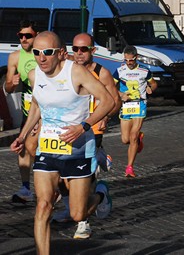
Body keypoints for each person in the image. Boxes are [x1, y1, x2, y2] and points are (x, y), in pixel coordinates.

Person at [10, 31, 114, 255]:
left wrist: (83, 127)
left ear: (59, 53)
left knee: (77, 214)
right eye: (37, 53)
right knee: (43, 206)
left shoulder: (76, 73)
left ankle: (100, 195)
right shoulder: (34, 75)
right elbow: (37, 107)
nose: (41, 58)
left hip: (77, 149)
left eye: (47, 53)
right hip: (47, 148)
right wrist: (22, 135)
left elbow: (108, 101)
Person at [52, 33, 121, 238]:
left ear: (93, 50)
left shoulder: (103, 73)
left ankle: (83, 221)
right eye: (75, 49)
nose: (79, 53)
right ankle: (71, 206)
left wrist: (105, 117)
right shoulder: (67, 69)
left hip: (92, 131)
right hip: (66, 130)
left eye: (84, 49)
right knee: (58, 175)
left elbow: (115, 101)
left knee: (82, 178)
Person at [4, 20, 38, 204]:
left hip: (46, 108)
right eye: (21, 36)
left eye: (28, 36)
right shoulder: (15, 57)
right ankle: (26, 187)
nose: (24, 39)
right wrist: (12, 83)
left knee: (37, 148)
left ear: (36, 36)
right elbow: (8, 88)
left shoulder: (43, 54)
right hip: (28, 108)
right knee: (24, 147)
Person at [113, 45, 157, 177]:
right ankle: (139, 139)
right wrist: (121, 94)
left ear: (136, 58)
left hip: (140, 104)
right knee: (125, 139)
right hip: (126, 105)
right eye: (126, 60)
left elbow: (154, 84)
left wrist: (151, 89)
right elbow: (110, 86)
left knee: (132, 136)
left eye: (130, 60)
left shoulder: (144, 71)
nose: (128, 63)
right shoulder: (119, 71)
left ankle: (129, 167)